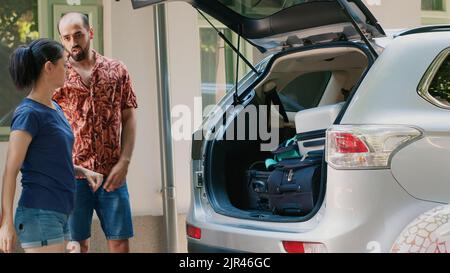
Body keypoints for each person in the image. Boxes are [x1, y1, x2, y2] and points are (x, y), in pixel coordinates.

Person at [0, 38, 103, 253]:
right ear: (49, 67)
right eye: (64, 64)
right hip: (39, 214)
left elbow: (51, 160)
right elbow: (11, 170)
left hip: (60, 213)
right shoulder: (28, 113)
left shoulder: (55, 108)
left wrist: (82, 170)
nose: (69, 69)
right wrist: (6, 223)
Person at [54, 12, 138, 253]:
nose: (73, 43)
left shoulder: (117, 69)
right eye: (66, 38)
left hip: (113, 172)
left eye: (78, 35)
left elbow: (129, 116)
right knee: (76, 245)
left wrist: (125, 161)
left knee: (120, 242)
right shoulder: (57, 75)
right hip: (73, 175)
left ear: (90, 32)